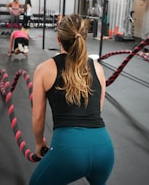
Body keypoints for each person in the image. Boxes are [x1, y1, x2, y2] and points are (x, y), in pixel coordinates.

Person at [30, 14, 114, 185]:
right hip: (104, 150)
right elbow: (97, 110)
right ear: (84, 37)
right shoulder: (97, 68)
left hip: (69, 152)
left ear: (58, 38)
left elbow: (38, 117)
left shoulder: (44, 69)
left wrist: (39, 143)